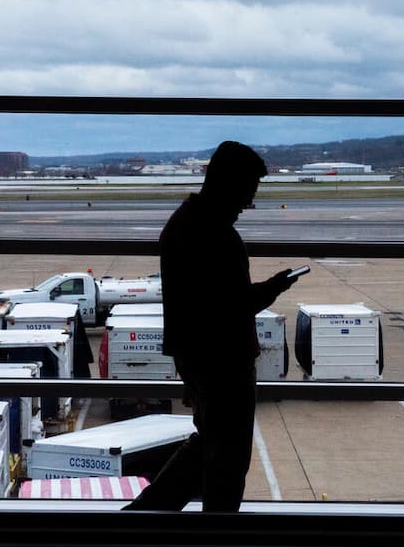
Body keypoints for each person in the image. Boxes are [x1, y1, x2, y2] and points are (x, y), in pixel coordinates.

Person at [124, 141, 302, 513]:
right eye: (247, 189)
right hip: (223, 362)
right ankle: (216, 540)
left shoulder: (185, 224)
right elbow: (232, 306)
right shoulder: (213, 234)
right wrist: (273, 288)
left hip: (200, 358)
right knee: (228, 462)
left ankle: (147, 516)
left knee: (209, 446)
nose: (248, 201)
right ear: (228, 182)